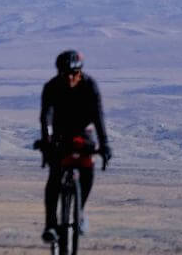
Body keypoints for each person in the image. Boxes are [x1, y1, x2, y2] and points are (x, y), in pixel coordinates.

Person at [37, 49, 111, 242]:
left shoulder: (90, 86)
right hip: (60, 133)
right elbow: (46, 118)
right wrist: (47, 142)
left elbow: (98, 117)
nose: (70, 78)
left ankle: (79, 212)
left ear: (80, 72)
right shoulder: (51, 87)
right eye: (66, 74)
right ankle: (51, 225)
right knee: (55, 176)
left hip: (83, 131)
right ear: (59, 73)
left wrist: (105, 144)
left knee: (88, 168)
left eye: (74, 74)